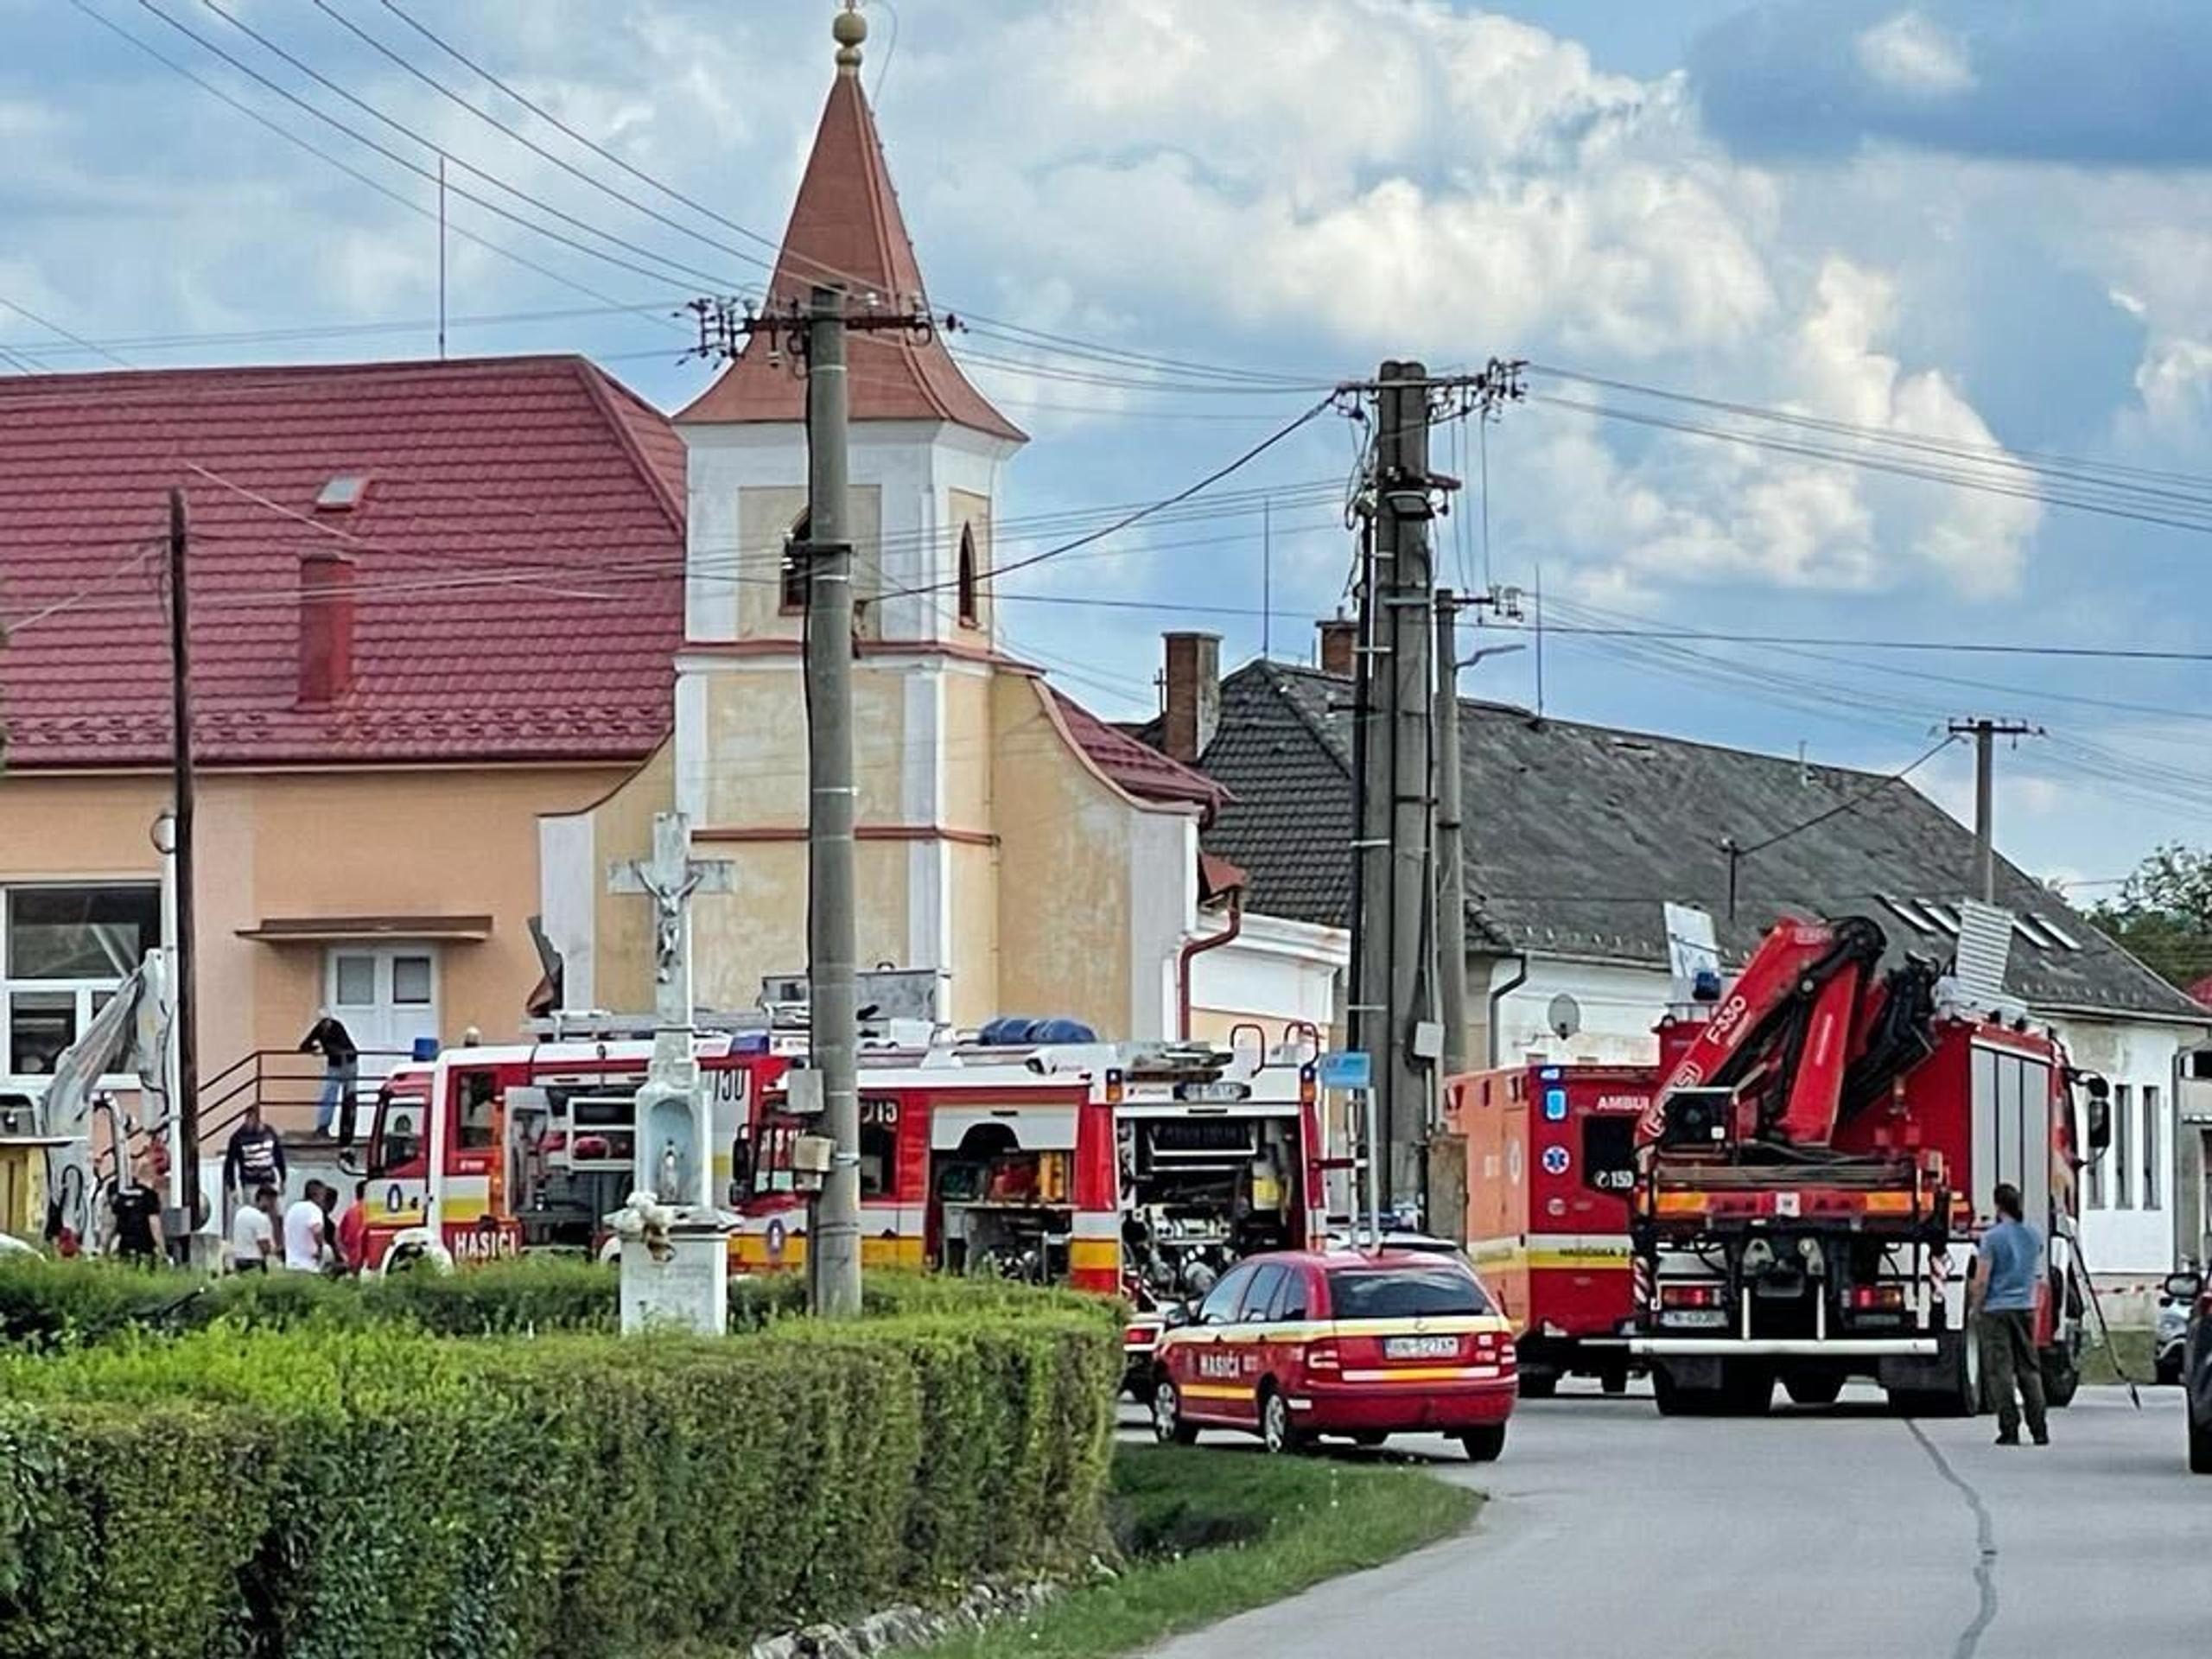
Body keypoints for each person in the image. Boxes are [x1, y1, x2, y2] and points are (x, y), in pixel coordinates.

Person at [1973, 1181, 2050, 1446]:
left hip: (1997, 1310)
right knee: (2029, 1368)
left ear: (1997, 1205)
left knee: (2001, 1371)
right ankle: (2039, 1429)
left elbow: (1982, 1279)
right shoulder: (2033, 1233)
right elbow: (2036, 1256)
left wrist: (1977, 1305)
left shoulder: (1992, 1238)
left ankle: (2010, 1429)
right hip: (2025, 1308)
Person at [300, 1009, 359, 1139]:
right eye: (323, 1022)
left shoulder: (338, 1027)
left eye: (327, 1021)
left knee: (349, 1097)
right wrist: (313, 1048)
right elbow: (304, 1045)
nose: (325, 1024)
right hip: (334, 1065)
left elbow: (343, 1048)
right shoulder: (319, 1029)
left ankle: (348, 1128)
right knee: (328, 1095)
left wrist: (325, 1049)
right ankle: (323, 1127)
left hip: (348, 1063)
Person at [108, 1152, 166, 1265]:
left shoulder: (123, 1194)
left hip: (124, 1246)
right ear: (153, 1176)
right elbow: (154, 1225)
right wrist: (162, 1250)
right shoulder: (149, 1196)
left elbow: (111, 1225)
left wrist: (106, 1247)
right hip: (144, 1248)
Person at [223, 1103, 287, 1205]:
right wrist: (233, 1188)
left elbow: (279, 1156)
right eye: (255, 1120)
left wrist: (283, 1179)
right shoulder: (238, 1137)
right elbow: (229, 1164)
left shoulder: (269, 1132)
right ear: (248, 1119)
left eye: (260, 1121)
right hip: (250, 1183)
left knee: (273, 1212)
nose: (258, 1124)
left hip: (269, 1181)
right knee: (253, 1212)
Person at [283, 1180, 328, 1274]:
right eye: (323, 1195)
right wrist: (321, 1249)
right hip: (307, 1266)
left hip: (291, 1264)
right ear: (317, 1194)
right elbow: (317, 1230)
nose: (324, 1199)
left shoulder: (293, 1208)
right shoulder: (314, 1209)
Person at [231, 1185, 278, 1273]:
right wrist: (274, 1250)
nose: (273, 1206)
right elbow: (264, 1246)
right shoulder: (261, 1218)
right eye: (272, 1202)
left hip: (239, 1259)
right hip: (255, 1261)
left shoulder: (241, 1212)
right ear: (263, 1198)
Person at [336, 1179, 370, 1276]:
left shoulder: (350, 1212)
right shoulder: (376, 1213)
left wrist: (347, 1256)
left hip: (353, 1264)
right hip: (370, 1263)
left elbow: (338, 1238)